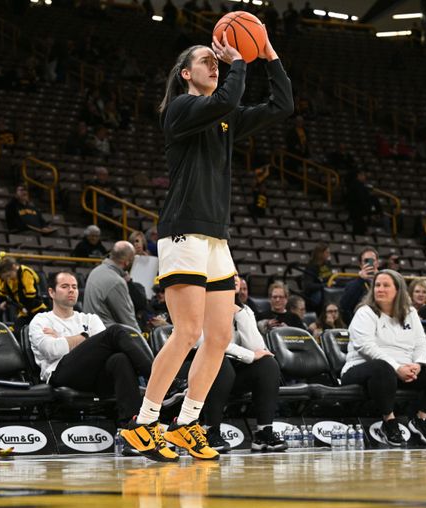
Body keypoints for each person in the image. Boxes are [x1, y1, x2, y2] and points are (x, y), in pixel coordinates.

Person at [121, 31, 293, 462]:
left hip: (216, 239)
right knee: (188, 333)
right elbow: (223, 101)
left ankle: (187, 425)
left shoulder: (223, 114)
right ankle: (143, 423)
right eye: (205, 60)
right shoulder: (181, 108)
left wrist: (268, 55)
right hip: (182, 233)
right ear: (185, 74)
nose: (214, 63)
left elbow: (282, 106)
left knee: (218, 336)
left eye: (216, 60)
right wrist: (238, 64)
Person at [341, 270, 426, 446]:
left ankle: (422, 419)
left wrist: (418, 364)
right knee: (381, 366)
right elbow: (367, 347)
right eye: (377, 285)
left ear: (398, 290)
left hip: (401, 371)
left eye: (386, 285)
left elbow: (421, 343)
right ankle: (389, 421)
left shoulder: (410, 313)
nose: (380, 289)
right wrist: (397, 367)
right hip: (362, 370)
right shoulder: (365, 312)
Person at [29, 272, 154, 427]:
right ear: (51, 292)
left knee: (119, 359)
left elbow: (106, 349)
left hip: (93, 375)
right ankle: (159, 379)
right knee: (115, 332)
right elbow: (52, 350)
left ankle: (130, 425)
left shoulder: (89, 318)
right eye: (65, 286)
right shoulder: (41, 320)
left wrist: (64, 340)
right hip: (60, 374)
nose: (71, 290)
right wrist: (85, 336)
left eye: (74, 287)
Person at [190, 290, 287, 453]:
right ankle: (210, 430)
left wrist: (240, 313)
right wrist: (249, 355)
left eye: (236, 276)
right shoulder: (201, 306)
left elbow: (258, 347)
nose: (234, 280)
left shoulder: (244, 310)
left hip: (231, 373)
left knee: (268, 364)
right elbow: (210, 344)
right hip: (199, 370)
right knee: (219, 361)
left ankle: (264, 432)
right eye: (230, 276)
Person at [83, 241, 141, 331]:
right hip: (107, 337)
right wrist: (142, 340)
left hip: (91, 332)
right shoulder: (116, 281)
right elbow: (128, 321)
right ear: (127, 261)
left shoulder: (95, 271)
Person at [0, 255, 47, 332]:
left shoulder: (25, 272)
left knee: (39, 331)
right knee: (15, 331)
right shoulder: (9, 279)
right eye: (6, 277)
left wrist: (25, 308)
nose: (8, 279)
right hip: (24, 312)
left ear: (14, 267)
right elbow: (3, 292)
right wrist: (3, 301)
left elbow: (30, 295)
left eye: (9, 275)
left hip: (37, 310)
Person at [340, 247, 379, 324]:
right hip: (362, 322)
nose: (369, 263)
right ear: (361, 265)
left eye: (372, 260)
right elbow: (345, 306)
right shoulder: (354, 284)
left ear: (377, 263)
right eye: (366, 261)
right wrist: (361, 280)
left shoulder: (384, 280)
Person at [302, 243, 333, 313]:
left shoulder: (328, 264)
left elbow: (330, 277)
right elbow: (308, 285)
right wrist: (324, 285)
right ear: (320, 253)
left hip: (326, 288)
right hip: (315, 292)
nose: (329, 254)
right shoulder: (311, 266)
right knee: (319, 295)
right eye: (327, 252)